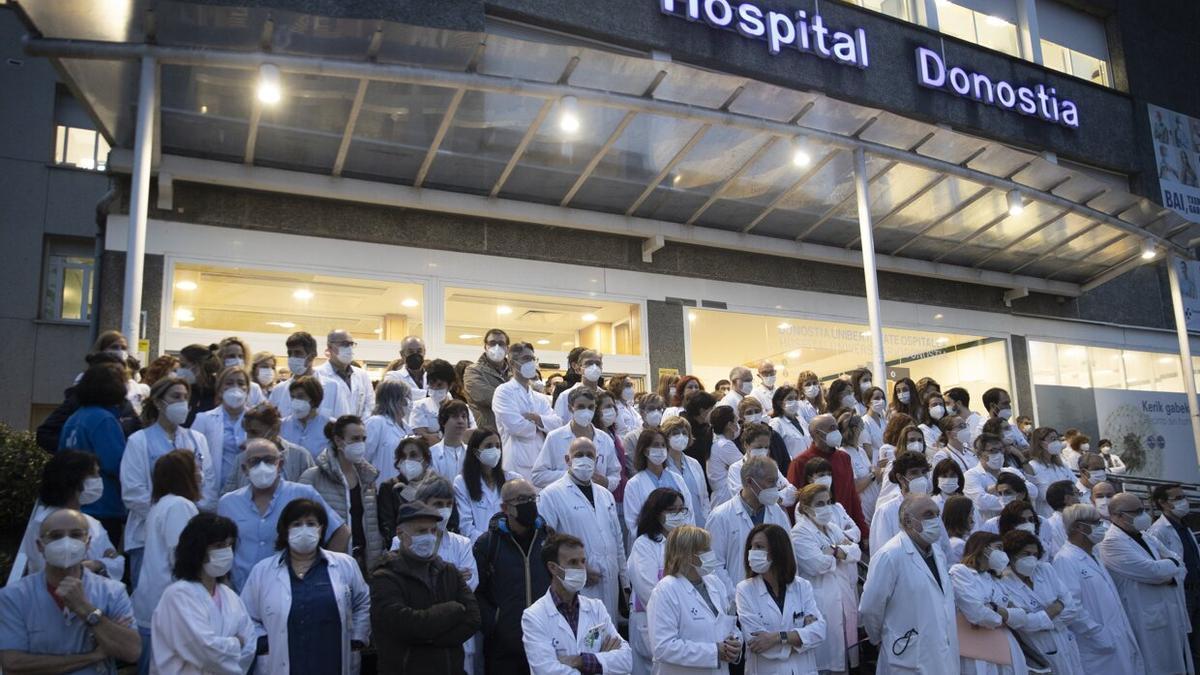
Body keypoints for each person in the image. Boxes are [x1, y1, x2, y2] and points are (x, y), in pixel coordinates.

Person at [240, 498, 370, 675]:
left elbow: (362, 602)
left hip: (332, 660)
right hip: (282, 662)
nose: (304, 529)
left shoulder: (344, 565)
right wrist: (263, 643)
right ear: (285, 530)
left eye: (311, 524)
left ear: (321, 528)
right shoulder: (262, 571)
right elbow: (246, 615)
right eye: (297, 524)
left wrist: (357, 639)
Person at [0, 509, 141, 674]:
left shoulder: (112, 591)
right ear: (40, 545)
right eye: (56, 536)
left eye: (75, 535)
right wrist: (93, 656)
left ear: (87, 542)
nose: (66, 542)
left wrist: (87, 610)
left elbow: (132, 652)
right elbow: (13, 664)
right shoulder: (13, 596)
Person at [217, 438, 349, 589]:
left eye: (269, 460)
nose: (262, 466)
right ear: (244, 468)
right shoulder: (228, 503)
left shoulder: (302, 494)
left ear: (280, 464)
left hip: (292, 592)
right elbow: (219, 547)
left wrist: (323, 572)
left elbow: (341, 532)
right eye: (255, 461)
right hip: (242, 593)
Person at [370, 500, 480, 674]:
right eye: (421, 531)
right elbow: (403, 625)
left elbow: (473, 619)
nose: (429, 537)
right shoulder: (385, 577)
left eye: (433, 531)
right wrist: (450, 610)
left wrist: (426, 640)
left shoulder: (449, 572)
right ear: (400, 534)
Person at [859, 495, 958, 673]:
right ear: (907, 521)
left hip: (940, 651)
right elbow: (870, 608)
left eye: (937, 514)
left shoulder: (936, 551)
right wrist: (882, 637)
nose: (935, 520)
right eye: (928, 515)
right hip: (906, 654)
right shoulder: (890, 555)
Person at [150, 513, 257, 674]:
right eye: (219, 545)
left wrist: (227, 646)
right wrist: (236, 643)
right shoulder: (178, 595)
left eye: (230, 545)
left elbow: (249, 643)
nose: (226, 551)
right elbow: (204, 650)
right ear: (198, 549)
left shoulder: (230, 596)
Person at [1099, 491, 1193, 674]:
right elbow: (1153, 571)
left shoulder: (1144, 535)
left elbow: (1179, 562)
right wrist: (1169, 568)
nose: (1143, 515)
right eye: (1137, 511)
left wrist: (1169, 570)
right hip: (1145, 617)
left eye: (1143, 509)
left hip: (1168, 611)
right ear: (1118, 515)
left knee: (1178, 663)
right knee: (1157, 666)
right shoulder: (1111, 543)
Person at [538, 437, 627, 621]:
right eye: (579, 455)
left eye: (590, 455)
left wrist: (624, 580)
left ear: (596, 460)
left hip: (609, 578)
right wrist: (578, 569)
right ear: (567, 459)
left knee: (608, 632)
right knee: (582, 630)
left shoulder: (605, 495)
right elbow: (547, 542)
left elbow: (617, 541)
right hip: (576, 579)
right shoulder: (551, 494)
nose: (585, 459)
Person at [520, 533, 632, 674]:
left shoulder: (596, 608)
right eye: (573, 562)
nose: (581, 568)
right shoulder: (534, 616)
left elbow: (626, 660)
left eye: (583, 561)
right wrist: (600, 663)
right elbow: (547, 671)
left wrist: (580, 661)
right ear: (553, 568)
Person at [132, 451, 202, 673]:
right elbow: (181, 556)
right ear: (185, 475)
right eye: (196, 469)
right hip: (169, 606)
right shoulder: (180, 506)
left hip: (152, 603)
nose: (200, 474)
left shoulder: (160, 505)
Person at [1054, 504, 1145, 675]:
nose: (1102, 526)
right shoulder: (1065, 560)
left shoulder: (1093, 554)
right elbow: (1072, 606)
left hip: (1117, 637)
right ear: (1080, 527)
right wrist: (1098, 634)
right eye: (1096, 522)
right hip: (1096, 645)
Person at [473, 478, 552, 674]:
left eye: (533, 498)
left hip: (543, 641)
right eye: (522, 499)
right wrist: (494, 622)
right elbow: (477, 591)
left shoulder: (547, 538)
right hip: (503, 646)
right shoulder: (488, 544)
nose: (530, 504)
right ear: (505, 507)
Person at [646, 525, 741, 674]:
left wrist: (736, 644)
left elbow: (729, 626)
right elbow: (663, 647)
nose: (711, 554)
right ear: (686, 555)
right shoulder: (665, 590)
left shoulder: (714, 583)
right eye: (705, 550)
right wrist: (713, 652)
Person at [737, 523, 826, 675]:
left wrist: (777, 637)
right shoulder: (745, 589)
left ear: (778, 551)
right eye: (751, 548)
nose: (752, 553)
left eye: (759, 547)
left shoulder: (802, 586)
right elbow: (757, 643)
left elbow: (819, 632)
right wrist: (801, 639)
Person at [19, 450, 124, 580]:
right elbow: (48, 572)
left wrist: (97, 564)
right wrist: (102, 563)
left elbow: (117, 561)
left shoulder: (93, 523)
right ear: (75, 479)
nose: (99, 480)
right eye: (94, 475)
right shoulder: (43, 524)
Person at [58, 361, 133, 541]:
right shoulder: (104, 419)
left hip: (74, 502)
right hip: (103, 505)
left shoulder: (74, 418)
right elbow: (116, 464)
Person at [790, 482, 859, 674]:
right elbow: (817, 565)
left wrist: (834, 551)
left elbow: (856, 551)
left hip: (842, 596)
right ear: (805, 508)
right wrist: (842, 554)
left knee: (843, 659)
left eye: (828, 502)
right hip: (820, 602)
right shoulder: (799, 532)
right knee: (824, 663)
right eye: (820, 503)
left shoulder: (831, 527)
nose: (826, 507)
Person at [300, 415, 383, 572]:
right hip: (328, 565)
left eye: (363, 439)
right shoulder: (313, 478)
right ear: (338, 441)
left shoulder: (368, 479)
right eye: (355, 438)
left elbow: (372, 525)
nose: (361, 444)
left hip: (364, 564)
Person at [706, 455, 791, 607]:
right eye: (770, 481)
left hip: (777, 599)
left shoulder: (777, 512)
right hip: (737, 602)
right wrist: (737, 596)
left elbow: (789, 555)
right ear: (750, 482)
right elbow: (714, 565)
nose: (776, 487)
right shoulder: (721, 517)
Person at [998, 529, 1084, 674]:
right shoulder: (1003, 584)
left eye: (1035, 555)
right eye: (1026, 554)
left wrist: (1042, 620)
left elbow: (1072, 608)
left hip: (1066, 642)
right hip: (1039, 648)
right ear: (1011, 556)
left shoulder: (1045, 569)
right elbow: (1022, 624)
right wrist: (1054, 609)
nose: (1031, 559)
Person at [948, 531, 1029, 674]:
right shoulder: (960, 572)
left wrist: (994, 609)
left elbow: (1022, 616)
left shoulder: (995, 580)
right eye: (999, 548)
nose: (1002, 554)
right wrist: (1005, 617)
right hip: (976, 651)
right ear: (984, 548)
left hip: (1004, 648)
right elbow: (977, 614)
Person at [627, 488, 688, 675]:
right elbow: (648, 591)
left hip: (682, 624)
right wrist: (681, 613)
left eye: (681, 510)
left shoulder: (684, 543)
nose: (677, 515)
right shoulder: (644, 545)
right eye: (671, 510)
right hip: (651, 623)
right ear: (656, 513)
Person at [787, 414, 868, 537]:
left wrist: (863, 529)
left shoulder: (844, 458)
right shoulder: (800, 462)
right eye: (832, 428)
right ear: (818, 434)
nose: (837, 431)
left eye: (836, 427)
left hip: (846, 529)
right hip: (816, 535)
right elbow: (793, 502)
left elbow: (852, 495)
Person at [492, 341, 562, 481]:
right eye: (525, 359)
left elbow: (557, 424)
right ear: (512, 364)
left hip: (541, 462)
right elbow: (515, 427)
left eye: (532, 359)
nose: (531, 363)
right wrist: (542, 425)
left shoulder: (540, 398)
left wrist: (535, 418)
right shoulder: (503, 392)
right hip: (515, 462)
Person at [532, 387, 620, 489]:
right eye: (581, 407)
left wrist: (607, 482)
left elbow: (615, 474)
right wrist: (572, 475)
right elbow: (538, 476)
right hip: (564, 498)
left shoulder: (605, 439)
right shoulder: (555, 438)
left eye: (590, 407)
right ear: (570, 408)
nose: (586, 412)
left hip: (596, 498)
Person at [1149, 483, 1200, 656]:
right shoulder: (1158, 530)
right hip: (1182, 592)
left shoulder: (1183, 525)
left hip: (1196, 588)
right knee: (1187, 642)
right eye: (1177, 498)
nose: (1183, 501)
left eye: (1183, 497)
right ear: (1162, 503)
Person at [190, 365, 252, 500]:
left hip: (249, 489)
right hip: (213, 491)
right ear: (219, 390)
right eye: (229, 383)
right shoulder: (204, 419)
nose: (235, 387)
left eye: (241, 383)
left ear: (248, 389)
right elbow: (193, 456)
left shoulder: (256, 419)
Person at [223, 404, 315, 494]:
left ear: (274, 429)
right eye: (247, 432)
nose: (249, 438)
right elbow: (228, 494)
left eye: (254, 432)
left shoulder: (300, 456)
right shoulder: (241, 459)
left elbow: (312, 494)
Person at [624, 429, 696, 538]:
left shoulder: (677, 479)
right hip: (650, 546)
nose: (661, 449)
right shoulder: (634, 484)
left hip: (679, 542)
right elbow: (633, 524)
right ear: (645, 450)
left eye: (663, 445)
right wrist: (657, 541)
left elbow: (688, 512)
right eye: (656, 445)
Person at [454, 428, 520, 542]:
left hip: (511, 545)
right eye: (488, 446)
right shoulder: (462, 483)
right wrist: (491, 544)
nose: (494, 450)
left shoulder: (513, 479)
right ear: (475, 452)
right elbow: (466, 527)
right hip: (478, 548)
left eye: (498, 446)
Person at [868, 451, 931, 554]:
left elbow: (943, 548)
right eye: (914, 473)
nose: (921, 477)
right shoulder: (886, 511)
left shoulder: (932, 508)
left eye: (924, 472)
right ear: (900, 478)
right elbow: (880, 553)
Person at [377, 435, 435, 541]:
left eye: (413, 455)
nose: (407, 460)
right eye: (403, 456)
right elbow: (388, 529)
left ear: (426, 460)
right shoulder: (389, 488)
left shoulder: (438, 487)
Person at [410, 359, 477, 446]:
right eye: (431, 384)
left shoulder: (463, 407)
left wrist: (438, 435)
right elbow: (423, 439)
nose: (434, 388)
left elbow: (472, 435)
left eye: (439, 385)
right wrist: (457, 436)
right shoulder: (419, 406)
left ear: (450, 385)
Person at [315, 329, 375, 418]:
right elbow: (317, 409)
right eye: (344, 344)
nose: (349, 348)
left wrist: (360, 425)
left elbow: (370, 405)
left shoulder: (362, 375)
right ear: (330, 347)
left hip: (359, 429)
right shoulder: (317, 374)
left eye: (351, 344)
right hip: (329, 429)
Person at [363, 378, 413, 485]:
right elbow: (362, 459)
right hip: (380, 489)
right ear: (393, 400)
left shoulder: (408, 428)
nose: (409, 402)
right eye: (406, 398)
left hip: (403, 490)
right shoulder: (376, 423)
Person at [662, 417, 710, 526]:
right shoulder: (662, 466)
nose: (681, 436)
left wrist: (707, 518)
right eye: (675, 433)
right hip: (675, 526)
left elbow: (704, 496)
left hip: (700, 522)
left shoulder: (694, 464)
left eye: (684, 433)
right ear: (666, 437)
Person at [464, 328, 513, 431]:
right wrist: (518, 399)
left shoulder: (515, 372)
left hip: (513, 432)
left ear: (507, 348)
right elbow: (487, 397)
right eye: (492, 343)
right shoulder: (473, 371)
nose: (497, 347)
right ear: (485, 347)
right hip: (487, 433)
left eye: (501, 343)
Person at [835, 411, 878, 523]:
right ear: (855, 429)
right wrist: (873, 475)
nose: (864, 431)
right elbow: (855, 486)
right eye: (862, 427)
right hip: (862, 510)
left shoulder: (861, 450)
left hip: (873, 506)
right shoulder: (843, 454)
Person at [268, 331, 325, 413]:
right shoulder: (279, 390)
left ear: (311, 357)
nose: (292, 357)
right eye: (289, 353)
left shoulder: (333, 387)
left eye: (298, 353)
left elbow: (341, 422)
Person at [1025, 427, 1075, 518]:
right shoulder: (1033, 467)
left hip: (1070, 514)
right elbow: (1041, 494)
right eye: (1053, 439)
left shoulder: (1061, 465)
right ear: (1041, 443)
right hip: (1048, 516)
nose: (1057, 442)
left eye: (1057, 439)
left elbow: (1075, 485)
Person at [279, 375, 333, 459]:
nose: (295, 401)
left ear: (314, 398)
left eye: (301, 396)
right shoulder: (281, 425)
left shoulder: (331, 426)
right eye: (293, 397)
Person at [551, 348, 606, 426]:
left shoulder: (605, 395)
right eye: (589, 363)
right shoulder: (566, 395)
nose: (594, 367)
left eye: (598, 364)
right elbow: (557, 424)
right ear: (579, 369)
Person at [429, 400, 472, 480]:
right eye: (455, 416)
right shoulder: (431, 454)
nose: (460, 421)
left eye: (464, 416)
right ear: (443, 422)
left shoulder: (471, 453)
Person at [769, 385, 811, 461]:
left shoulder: (800, 419)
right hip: (792, 466)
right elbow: (776, 452)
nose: (794, 401)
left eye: (796, 398)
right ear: (779, 403)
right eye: (790, 399)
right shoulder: (776, 423)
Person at [1041, 480, 1079, 559]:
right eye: (1077, 494)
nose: (1079, 499)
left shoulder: (1077, 520)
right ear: (1067, 499)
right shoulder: (1051, 526)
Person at [606, 374, 644, 440]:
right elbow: (621, 431)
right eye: (628, 385)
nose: (631, 388)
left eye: (632, 385)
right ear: (617, 387)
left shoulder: (631, 408)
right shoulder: (614, 408)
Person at [394, 335, 430, 402]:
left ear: (424, 352)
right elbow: (399, 392)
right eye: (410, 352)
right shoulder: (393, 376)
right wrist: (430, 394)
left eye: (419, 351)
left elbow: (446, 395)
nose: (415, 355)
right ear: (402, 354)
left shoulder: (432, 377)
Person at [941, 495, 974, 565]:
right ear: (962, 516)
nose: (972, 517)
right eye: (971, 512)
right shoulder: (958, 545)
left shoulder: (959, 540)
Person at [859, 385, 887, 457]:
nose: (881, 401)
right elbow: (867, 450)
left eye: (882, 398)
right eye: (877, 398)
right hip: (874, 461)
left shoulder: (884, 421)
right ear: (867, 402)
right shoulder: (864, 422)